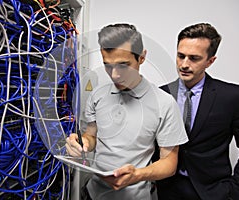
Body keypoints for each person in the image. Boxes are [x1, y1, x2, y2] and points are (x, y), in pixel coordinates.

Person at [65, 23, 188, 200]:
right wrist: (80, 143)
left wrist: (137, 175)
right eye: (107, 65)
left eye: (123, 65)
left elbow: (169, 163)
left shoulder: (164, 103)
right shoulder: (97, 95)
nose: (114, 75)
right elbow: (91, 137)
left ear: (142, 57)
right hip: (92, 194)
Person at [154, 22, 239, 200]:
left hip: (213, 193)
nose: (184, 64)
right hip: (166, 191)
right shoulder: (160, 94)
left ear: (210, 61)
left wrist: (234, 193)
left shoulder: (233, 97)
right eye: (181, 56)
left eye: (194, 58)